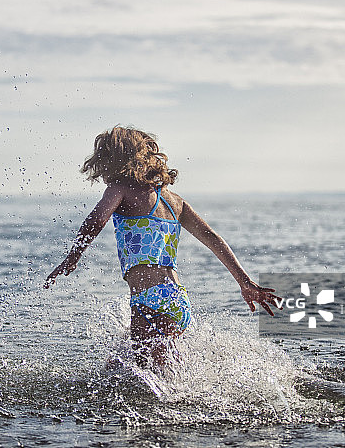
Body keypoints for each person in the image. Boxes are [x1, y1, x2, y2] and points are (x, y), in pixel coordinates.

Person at [45, 126, 281, 369]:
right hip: (177, 299)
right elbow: (212, 238)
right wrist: (245, 282)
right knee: (125, 365)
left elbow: (96, 220)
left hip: (149, 297)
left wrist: (73, 257)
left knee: (144, 374)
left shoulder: (120, 189)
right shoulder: (174, 201)